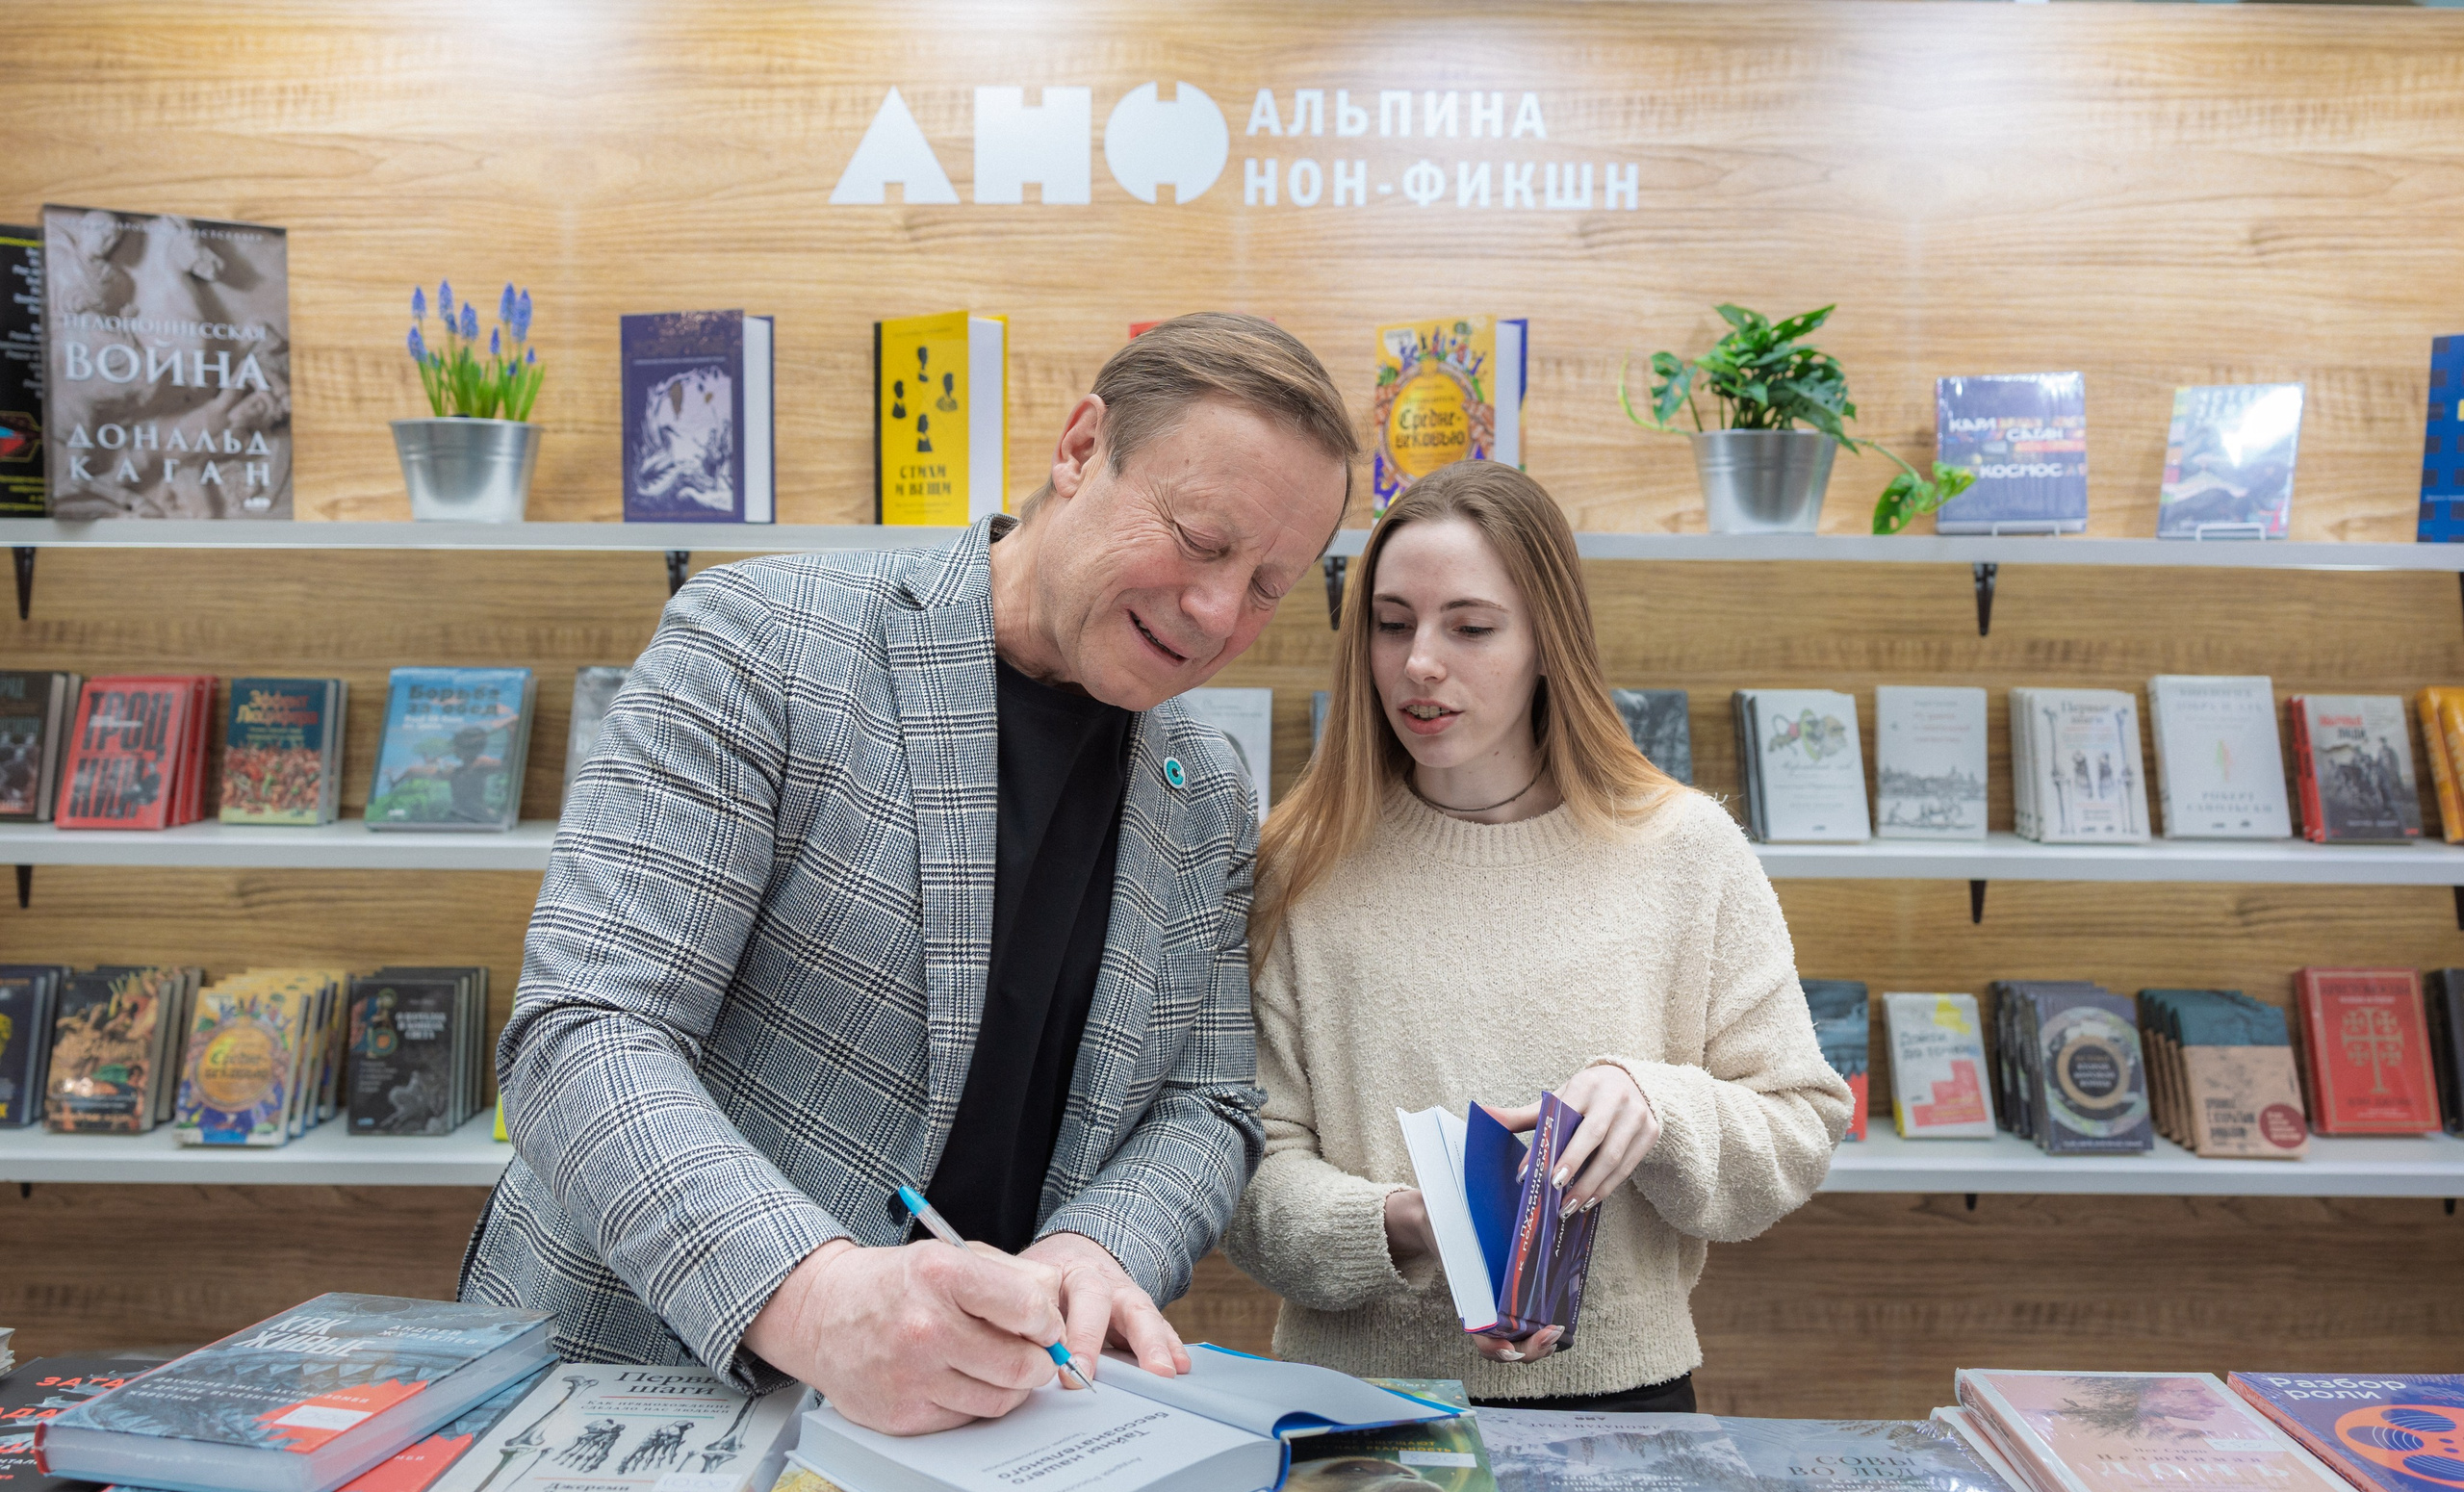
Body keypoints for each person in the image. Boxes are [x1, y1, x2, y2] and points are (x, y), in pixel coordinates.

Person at [460, 314, 1356, 1435]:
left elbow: (1206, 1101)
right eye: (1202, 539)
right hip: (640, 1382)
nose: (1222, 613)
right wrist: (814, 1297)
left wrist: (1098, 1241)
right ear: (1079, 449)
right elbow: (582, 1032)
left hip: (996, 1423)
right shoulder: (760, 643)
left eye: (1270, 584)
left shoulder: (1208, 786)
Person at [1221, 459, 1850, 1413]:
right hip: (1357, 1408)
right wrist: (1406, 1225)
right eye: (1391, 625)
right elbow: (1241, 1171)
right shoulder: (1297, 864)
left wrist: (1655, 1105)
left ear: (1549, 643)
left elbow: (1797, 1132)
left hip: (1621, 1406)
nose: (1420, 662)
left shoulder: (1683, 851)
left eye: (1469, 627)